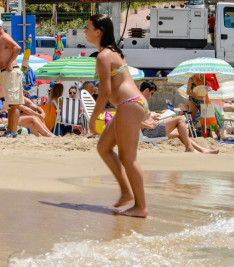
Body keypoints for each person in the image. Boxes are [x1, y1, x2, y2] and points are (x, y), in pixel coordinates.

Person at [86, 13, 149, 218]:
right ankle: (126, 192)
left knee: (128, 159)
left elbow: (104, 93)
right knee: (104, 147)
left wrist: (93, 117)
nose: (84, 31)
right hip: (131, 105)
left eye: (87, 28)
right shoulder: (112, 52)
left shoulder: (104, 56)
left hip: (129, 105)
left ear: (99, 32)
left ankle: (141, 207)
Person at [139, 81, 218, 154]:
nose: (152, 96)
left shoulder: (141, 101)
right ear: (146, 90)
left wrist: (152, 118)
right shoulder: (139, 102)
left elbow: (142, 118)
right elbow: (134, 121)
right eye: (152, 93)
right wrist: (150, 125)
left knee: (179, 132)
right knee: (180, 119)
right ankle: (190, 148)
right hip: (149, 132)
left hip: (150, 129)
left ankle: (202, 150)